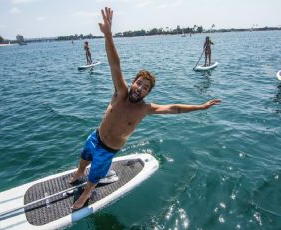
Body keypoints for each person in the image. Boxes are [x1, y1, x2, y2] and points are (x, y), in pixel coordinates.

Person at [69, 7, 222, 210]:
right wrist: (108, 35)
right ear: (133, 82)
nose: (140, 88)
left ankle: (87, 193)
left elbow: (174, 109)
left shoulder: (145, 109)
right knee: (84, 156)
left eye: (145, 88)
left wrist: (201, 107)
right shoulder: (120, 92)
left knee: (96, 174)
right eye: (139, 83)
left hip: (109, 149)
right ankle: (79, 172)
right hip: (96, 136)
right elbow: (115, 64)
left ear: (147, 93)